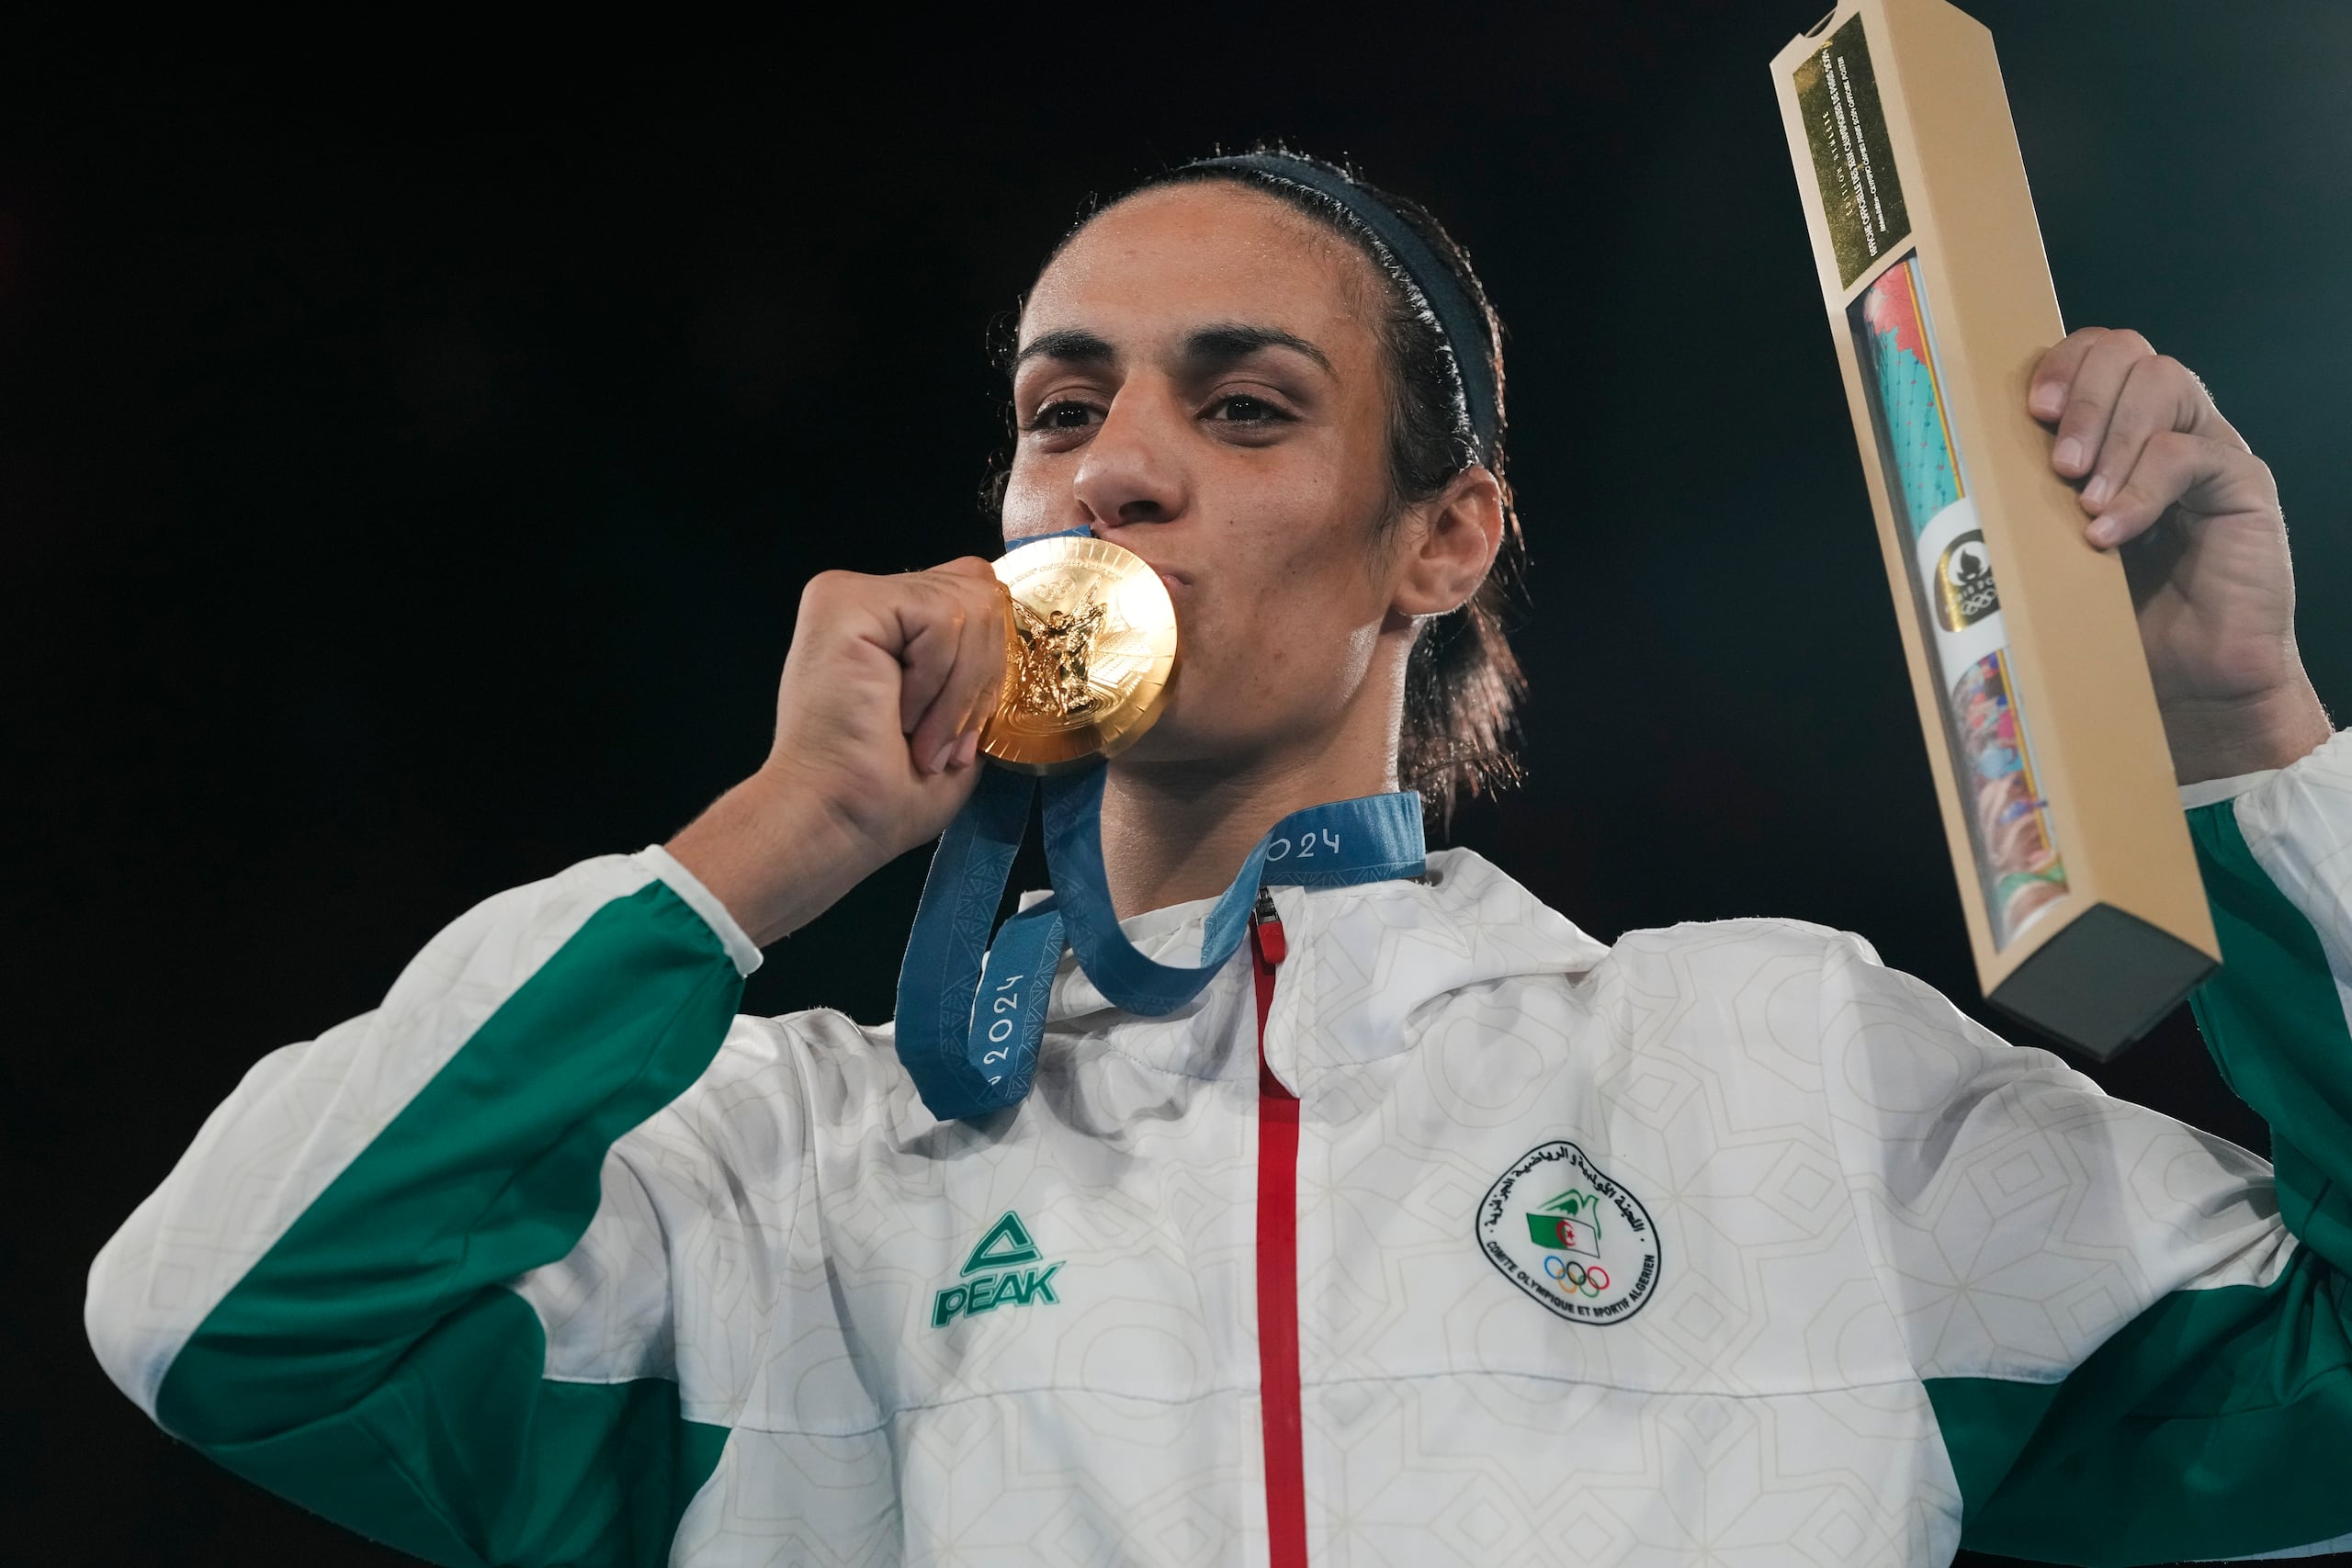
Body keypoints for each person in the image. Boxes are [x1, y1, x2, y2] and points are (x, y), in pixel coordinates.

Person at [83, 149, 2352, 1567]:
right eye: (1061, 409)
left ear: (1441, 536)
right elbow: (220, 1317)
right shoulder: (786, 1165)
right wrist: (771, 849)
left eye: (1241, 404)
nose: (1112, 473)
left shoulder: (1777, 1066)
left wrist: (2247, 730)